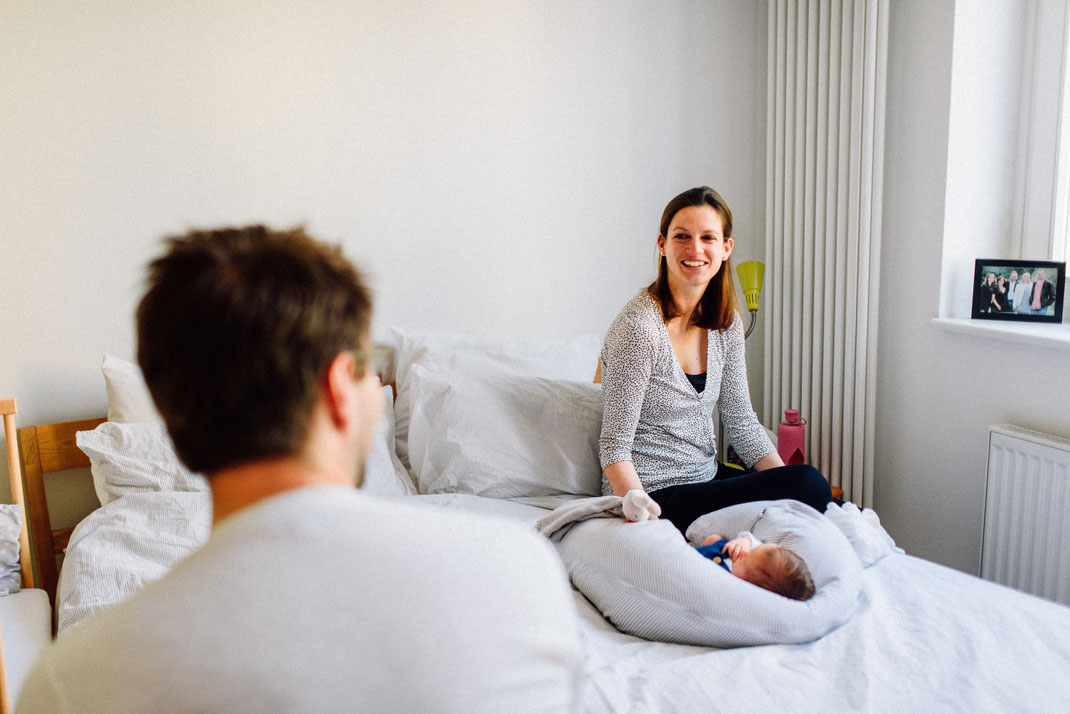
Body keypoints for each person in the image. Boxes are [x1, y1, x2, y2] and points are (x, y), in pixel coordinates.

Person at [18, 226, 581, 713]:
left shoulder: (69, 683)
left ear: (169, 416)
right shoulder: (519, 574)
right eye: (367, 369)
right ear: (339, 386)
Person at [598, 186, 833, 535]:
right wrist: (640, 510)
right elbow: (614, 446)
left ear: (726, 249)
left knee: (821, 498)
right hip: (657, 495)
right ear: (662, 245)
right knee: (809, 483)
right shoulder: (639, 329)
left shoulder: (726, 324)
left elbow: (741, 422)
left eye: (708, 237)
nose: (695, 249)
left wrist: (786, 485)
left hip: (707, 479)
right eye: (682, 236)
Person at [695, 531, 814, 601]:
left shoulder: (724, 584)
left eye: (744, 561)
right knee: (715, 538)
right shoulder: (748, 558)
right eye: (752, 551)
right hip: (710, 551)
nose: (744, 554)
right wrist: (746, 542)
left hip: (690, 561)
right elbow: (755, 544)